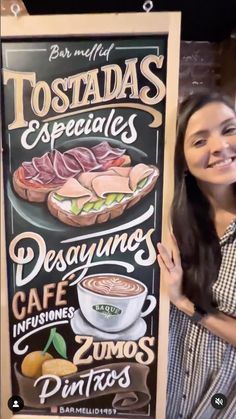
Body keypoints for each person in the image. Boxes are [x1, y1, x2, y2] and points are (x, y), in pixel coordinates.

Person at [157, 92, 236, 419]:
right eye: (200, 140)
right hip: (170, 398)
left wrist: (185, 303)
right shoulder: (169, 223)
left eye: (229, 129)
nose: (219, 146)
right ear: (183, 161)